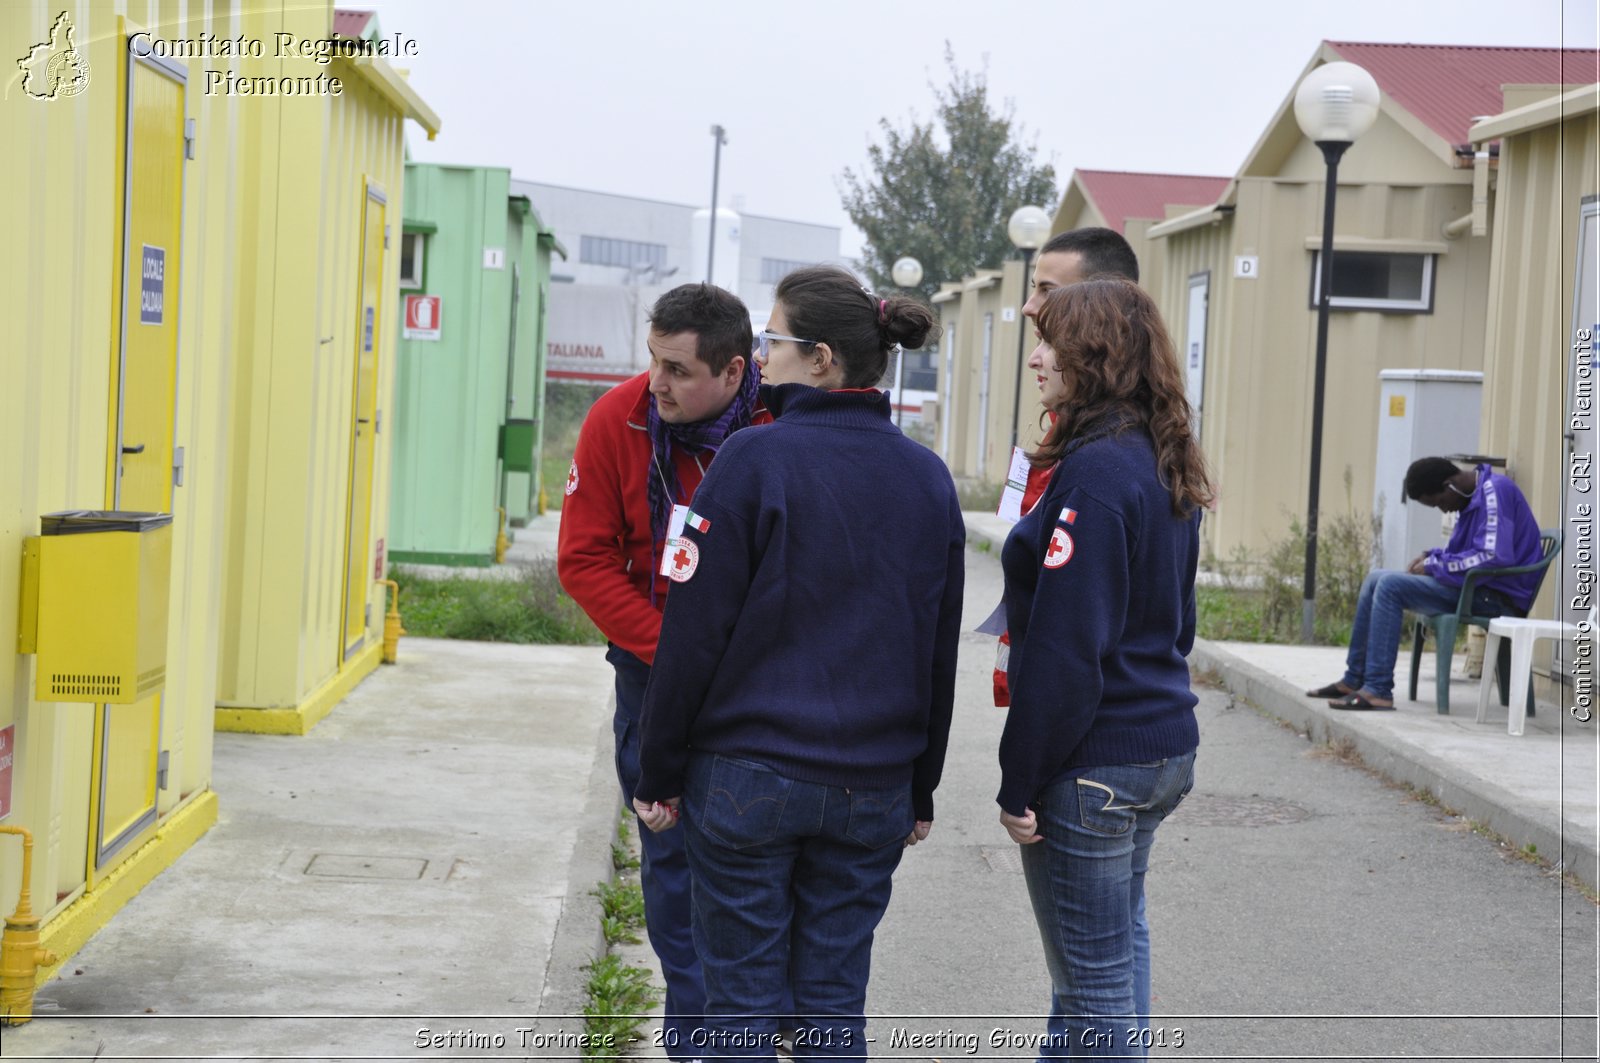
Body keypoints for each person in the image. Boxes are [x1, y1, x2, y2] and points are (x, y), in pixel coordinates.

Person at [632, 265, 965, 1062]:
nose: (763, 356)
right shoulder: (928, 479)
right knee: (831, 1010)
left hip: (748, 780)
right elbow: (938, 648)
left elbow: (693, 632)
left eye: (772, 340)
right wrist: (922, 785)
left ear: (820, 358)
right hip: (872, 788)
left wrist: (657, 768)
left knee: (739, 1007)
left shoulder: (752, 461)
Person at [998, 278, 1212, 1059]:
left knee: (1090, 989)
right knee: (1114, 959)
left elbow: (1064, 651)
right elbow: (1178, 624)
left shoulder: (1096, 472)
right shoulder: (1161, 455)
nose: (1035, 358)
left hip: (1096, 765)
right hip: (1160, 742)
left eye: (1049, 341)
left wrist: (1017, 777)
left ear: (1094, 353)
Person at [556, 282, 767, 1061]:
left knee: (754, 874)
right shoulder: (621, 418)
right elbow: (583, 560)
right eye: (653, 360)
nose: (658, 383)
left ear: (734, 370)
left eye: (678, 369)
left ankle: (746, 1030)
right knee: (673, 871)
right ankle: (696, 1044)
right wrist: (673, 655)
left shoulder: (772, 427)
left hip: (758, 689)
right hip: (655, 681)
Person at [996, 226, 1143, 708]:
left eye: (1046, 291)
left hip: (1087, 728)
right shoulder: (1078, 425)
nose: (1028, 307)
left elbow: (1072, 639)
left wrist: (1027, 761)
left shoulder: (1106, 459)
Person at [1306, 456, 1545, 710]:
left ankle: (1378, 689)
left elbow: (1492, 556)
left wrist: (1434, 566)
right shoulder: (1471, 499)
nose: (1444, 510)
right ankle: (1354, 680)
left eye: (1439, 502)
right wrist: (1432, 556)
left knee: (1390, 586)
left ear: (1449, 484)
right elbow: (1463, 553)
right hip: (1477, 589)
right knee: (1376, 577)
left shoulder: (1495, 491)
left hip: (1498, 597)